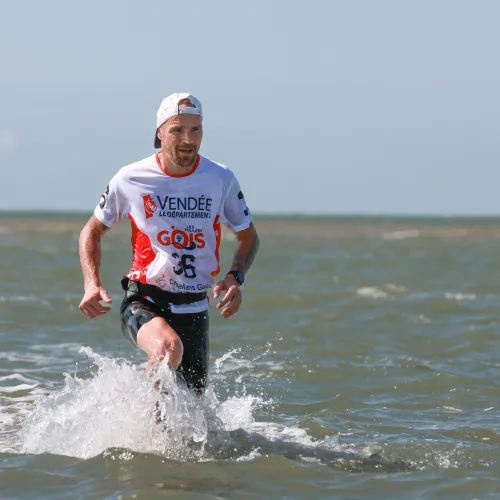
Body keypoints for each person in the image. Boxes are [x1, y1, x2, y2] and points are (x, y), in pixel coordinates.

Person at [78, 92, 259, 396]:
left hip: (195, 307)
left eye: (195, 129)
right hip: (144, 300)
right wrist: (91, 283)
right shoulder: (131, 178)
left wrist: (235, 276)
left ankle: (148, 421)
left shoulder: (220, 178)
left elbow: (248, 235)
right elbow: (91, 231)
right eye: (177, 130)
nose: (188, 139)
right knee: (167, 349)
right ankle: (142, 419)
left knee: (193, 410)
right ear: (160, 132)